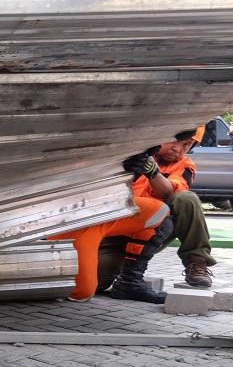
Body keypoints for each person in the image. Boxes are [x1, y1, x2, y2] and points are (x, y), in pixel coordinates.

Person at [115, 127, 216, 288]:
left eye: (186, 145)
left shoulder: (185, 165)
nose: (178, 149)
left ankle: (197, 262)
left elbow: (170, 191)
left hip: (153, 234)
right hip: (117, 233)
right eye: (174, 141)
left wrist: (151, 171)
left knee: (186, 199)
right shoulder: (130, 155)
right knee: (98, 281)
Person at [48, 196, 171, 303]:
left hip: (105, 214)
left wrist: (152, 174)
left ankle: (130, 281)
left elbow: (169, 197)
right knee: (83, 291)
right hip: (70, 221)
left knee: (163, 212)